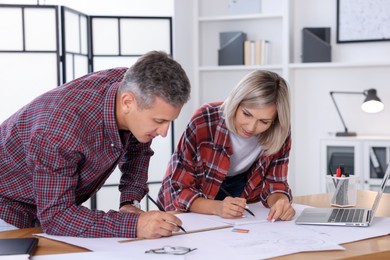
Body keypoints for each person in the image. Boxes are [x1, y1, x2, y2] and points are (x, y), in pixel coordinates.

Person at [0, 51, 191, 238]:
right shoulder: (58, 131)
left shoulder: (132, 85)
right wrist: (135, 226)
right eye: (158, 121)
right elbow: (56, 217)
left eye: (169, 122)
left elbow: (138, 150)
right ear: (127, 103)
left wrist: (129, 202)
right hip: (8, 207)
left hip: (50, 208)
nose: (165, 133)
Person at [157, 70, 295, 221]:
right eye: (247, 114)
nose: (251, 127)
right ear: (236, 102)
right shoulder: (205, 120)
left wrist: (281, 202)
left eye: (264, 122)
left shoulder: (279, 132)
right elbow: (179, 189)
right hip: (192, 197)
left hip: (240, 192)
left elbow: (275, 184)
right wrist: (217, 207)